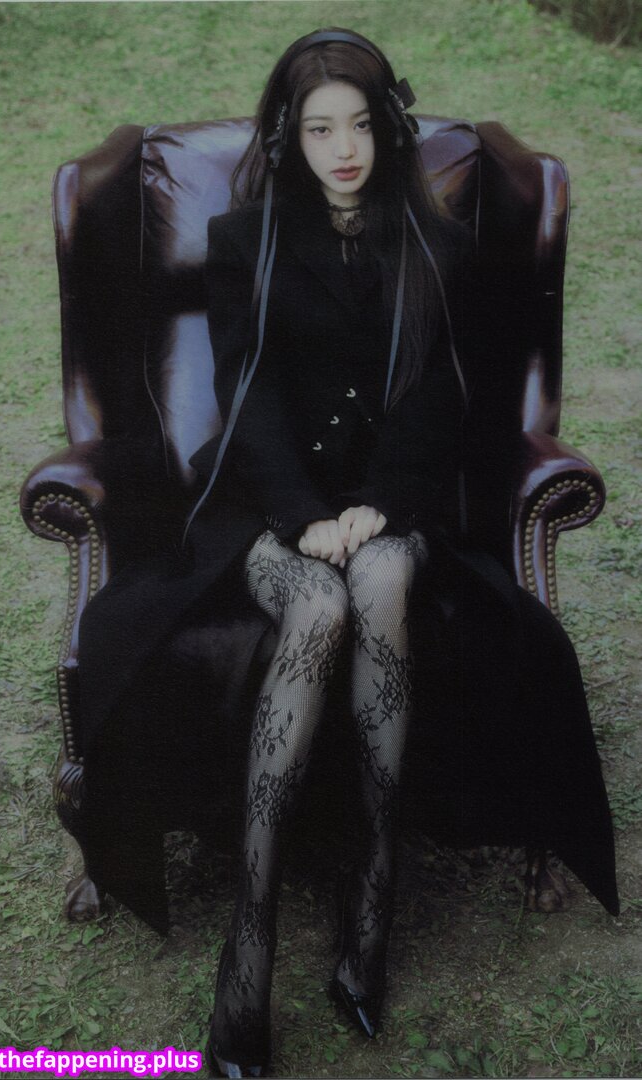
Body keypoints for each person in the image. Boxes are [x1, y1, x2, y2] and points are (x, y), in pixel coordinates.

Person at [76, 27, 618, 1080]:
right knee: (318, 604)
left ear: (387, 131)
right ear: (291, 137)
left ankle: (372, 897)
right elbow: (247, 394)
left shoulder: (434, 244)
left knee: (380, 577)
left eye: (360, 126)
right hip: (263, 507)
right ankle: (252, 939)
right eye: (321, 129)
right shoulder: (244, 239)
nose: (344, 149)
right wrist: (300, 512)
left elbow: (440, 399)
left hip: (390, 509)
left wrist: (379, 506)